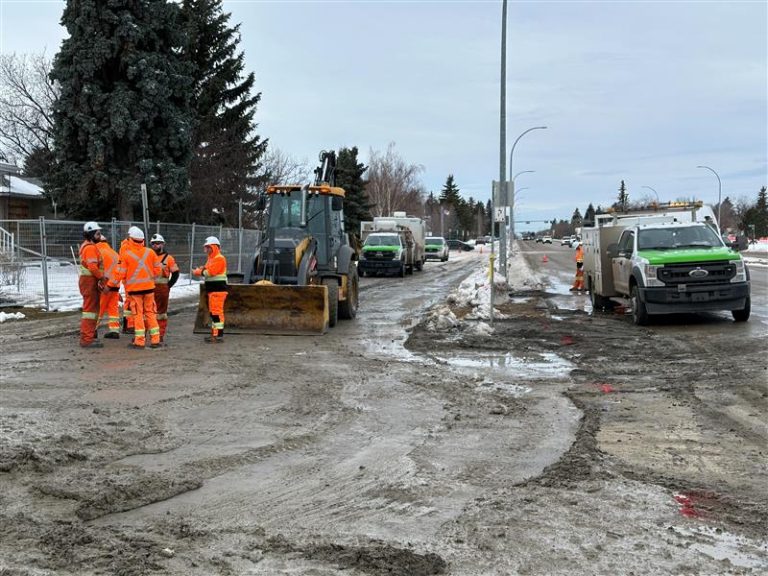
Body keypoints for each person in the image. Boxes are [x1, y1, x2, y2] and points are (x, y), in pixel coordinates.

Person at [109, 226, 162, 349]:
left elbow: (120, 274)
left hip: (135, 291)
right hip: (149, 289)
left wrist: (110, 285)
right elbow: (158, 270)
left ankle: (139, 341)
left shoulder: (126, 255)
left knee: (138, 315)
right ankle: (155, 340)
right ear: (142, 240)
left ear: (130, 239)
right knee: (150, 313)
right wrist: (148, 279)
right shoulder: (150, 252)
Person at [192, 236, 228, 343]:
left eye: (208, 247)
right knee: (214, 313)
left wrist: (198, 271)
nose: (206, 250)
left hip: (218, 290)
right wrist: (201, 269)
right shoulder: (211, 259)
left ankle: (216, 335)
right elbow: (206, 269)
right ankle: (215, 334)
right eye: (206, 247)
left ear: (214, 247)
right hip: (214, 290)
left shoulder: (219, 258)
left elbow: (209, 272)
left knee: (216, 313)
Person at [78, 221, 105, 348]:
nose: (100, 235)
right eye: (98, 233)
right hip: (89, 282)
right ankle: (87, 339)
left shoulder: (88, 246)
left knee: (91, 311)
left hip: (89, 281)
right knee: (90, 311)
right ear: (91, 234)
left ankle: (88, 337)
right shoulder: (90, 248)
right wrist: (102, 278)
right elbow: (93, 267)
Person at [150, 233, 180, 342]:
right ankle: (146, 334)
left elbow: (176, 273)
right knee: (148, 312)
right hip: (148, 288)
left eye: (157, 243)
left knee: (161, 313)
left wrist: (169, 286)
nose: (155, 246)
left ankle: (160, 334)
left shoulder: (169, 258)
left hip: (162, 289)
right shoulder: (148, 256)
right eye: (153, 244)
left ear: (163, 244)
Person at [96, 235, 121, 339]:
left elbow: (96, 269)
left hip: (103, 285)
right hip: (115, 285)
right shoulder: (115, 254)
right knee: (113, 309)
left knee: (98, 308)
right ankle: (114, 330)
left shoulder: (97, 252)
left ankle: (92, 330)